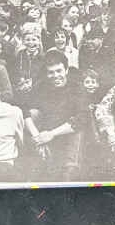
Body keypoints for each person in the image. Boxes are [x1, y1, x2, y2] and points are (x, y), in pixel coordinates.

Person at [23, 50, 86, 180]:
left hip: (66, 133)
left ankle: (69, 172)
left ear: (66, 70)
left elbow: (82, 118)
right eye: (51, 72)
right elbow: (24, 109)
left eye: (59, 71)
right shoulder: (41, 86)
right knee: (33, 113)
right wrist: (38, 138)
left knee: (77, 131)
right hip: (45, 132)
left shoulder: (77, 88)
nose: (56, 76)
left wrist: (51, 134)